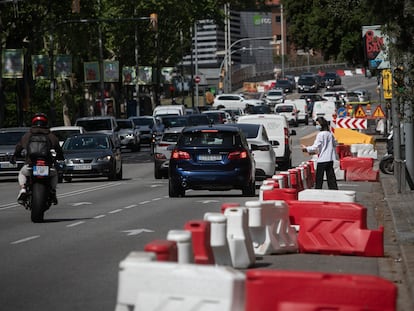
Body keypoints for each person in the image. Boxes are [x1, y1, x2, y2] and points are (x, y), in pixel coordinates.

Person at [12, 113, 64, 205]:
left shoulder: (28, 135)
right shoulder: (51, 135)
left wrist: (15, 155)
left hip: (30, 164)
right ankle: (52, 190)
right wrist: (60, 157)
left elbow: (19, 147)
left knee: (22, 173)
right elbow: (58, 149)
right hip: (47, 165)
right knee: (54, 174)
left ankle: (23, 189)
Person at [301, 116, 338, 190]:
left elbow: (315, 147)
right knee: (331, 177)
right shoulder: (329, 134)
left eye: (317, 124)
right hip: (330, 159)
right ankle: (334, 190)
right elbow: (334, 144)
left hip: (322, 159)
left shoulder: (320, 135)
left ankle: (318, 191)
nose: (316, 126)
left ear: (321, 124)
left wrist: (306, 148)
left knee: (319, 178)